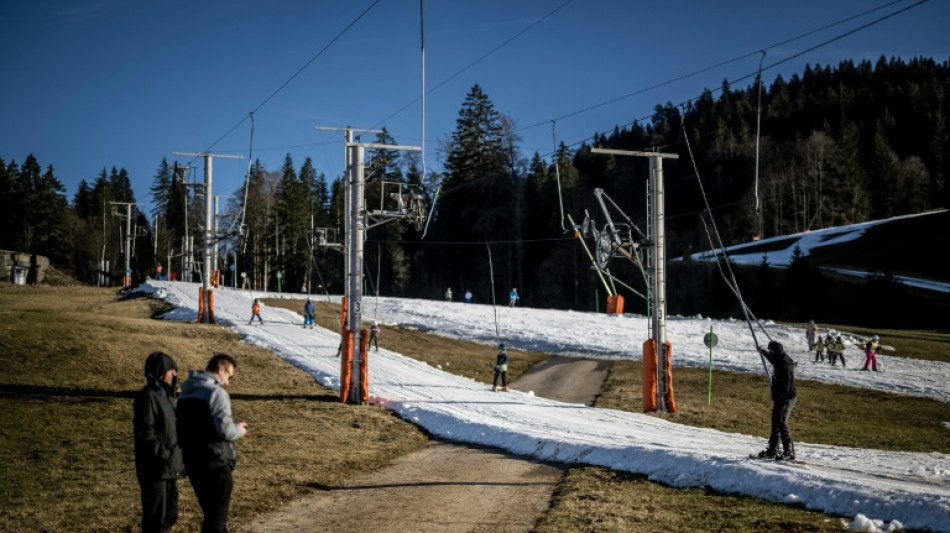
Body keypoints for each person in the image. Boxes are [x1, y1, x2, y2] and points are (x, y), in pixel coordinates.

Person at [177, 354, 248, 533]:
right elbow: (224, 430)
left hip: (193, 463)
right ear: (220, 370)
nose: (228, 382)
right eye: (228, 376)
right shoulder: (216, 393)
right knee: (216, 522)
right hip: (215, 462)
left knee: (212, 517)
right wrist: (239, 429)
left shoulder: (185, 395)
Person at [134, 351, 185, 533]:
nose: (174, 373)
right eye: (171, 369)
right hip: (155, 469)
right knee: (155, 520)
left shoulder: (167, 398)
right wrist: (165, 454)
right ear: (159, 371)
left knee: (170, 515)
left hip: (170, 468)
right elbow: (145, 433)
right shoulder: (147, 397)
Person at [756, 341, 797, 461]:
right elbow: (773, 360)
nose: (770, 354)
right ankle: (772, 450)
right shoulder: (780, 358)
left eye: (770, 352)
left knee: (782, 422)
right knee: (775, 421)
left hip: (786, 398)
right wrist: (762, 352)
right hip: (780, 398)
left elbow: (786, 386)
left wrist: (780, 398)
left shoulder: (785, 366)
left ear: (775, 352)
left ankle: (788, 452)